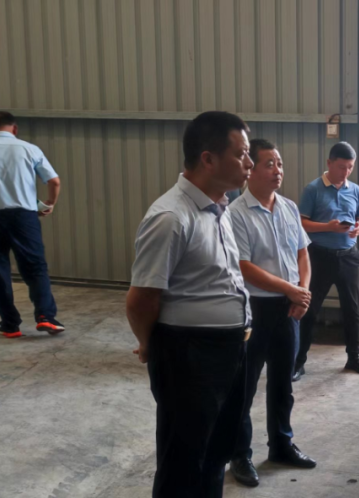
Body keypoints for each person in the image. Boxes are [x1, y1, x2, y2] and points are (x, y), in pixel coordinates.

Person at [126, 111, 253, 497]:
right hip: (188, 355)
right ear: (208, 159)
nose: (249, 163)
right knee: (183, 461)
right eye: (241, 154)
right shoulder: (171, 217)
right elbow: (142, 298)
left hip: (229, 350)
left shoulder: (220, 208)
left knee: (215, 453)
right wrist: (149, 344)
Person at [226, 139, 317, 488]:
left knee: (282, 383)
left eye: (279, 163)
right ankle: (240, 454)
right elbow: (243, 265)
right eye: (269, 164)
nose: (277, 170)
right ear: (250, 169)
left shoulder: (289, 207)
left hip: (289, 307)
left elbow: (303, 254)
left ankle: (281, 444)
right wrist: (290, 290)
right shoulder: (237, 213)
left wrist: (302, 293)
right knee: (244, 386)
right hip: (255, 309)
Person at [0, 111, 65, 338]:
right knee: (35, 267)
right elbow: (54, 181)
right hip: (23, 217)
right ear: (15, 128)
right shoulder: (29, 149)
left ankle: (10, 325)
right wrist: (50, 203)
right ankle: (46, 317)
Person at [296, 142, 359, 379]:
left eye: (350, 167)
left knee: (352, 309)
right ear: (329, 163)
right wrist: (327, 227)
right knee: (309, 309)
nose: (346, 172)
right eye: (341, 167)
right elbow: (301, 223)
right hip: (319, 256)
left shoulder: (355, 190)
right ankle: (299, 361)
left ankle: (354, 357)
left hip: (349, 256)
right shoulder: (313, 189)